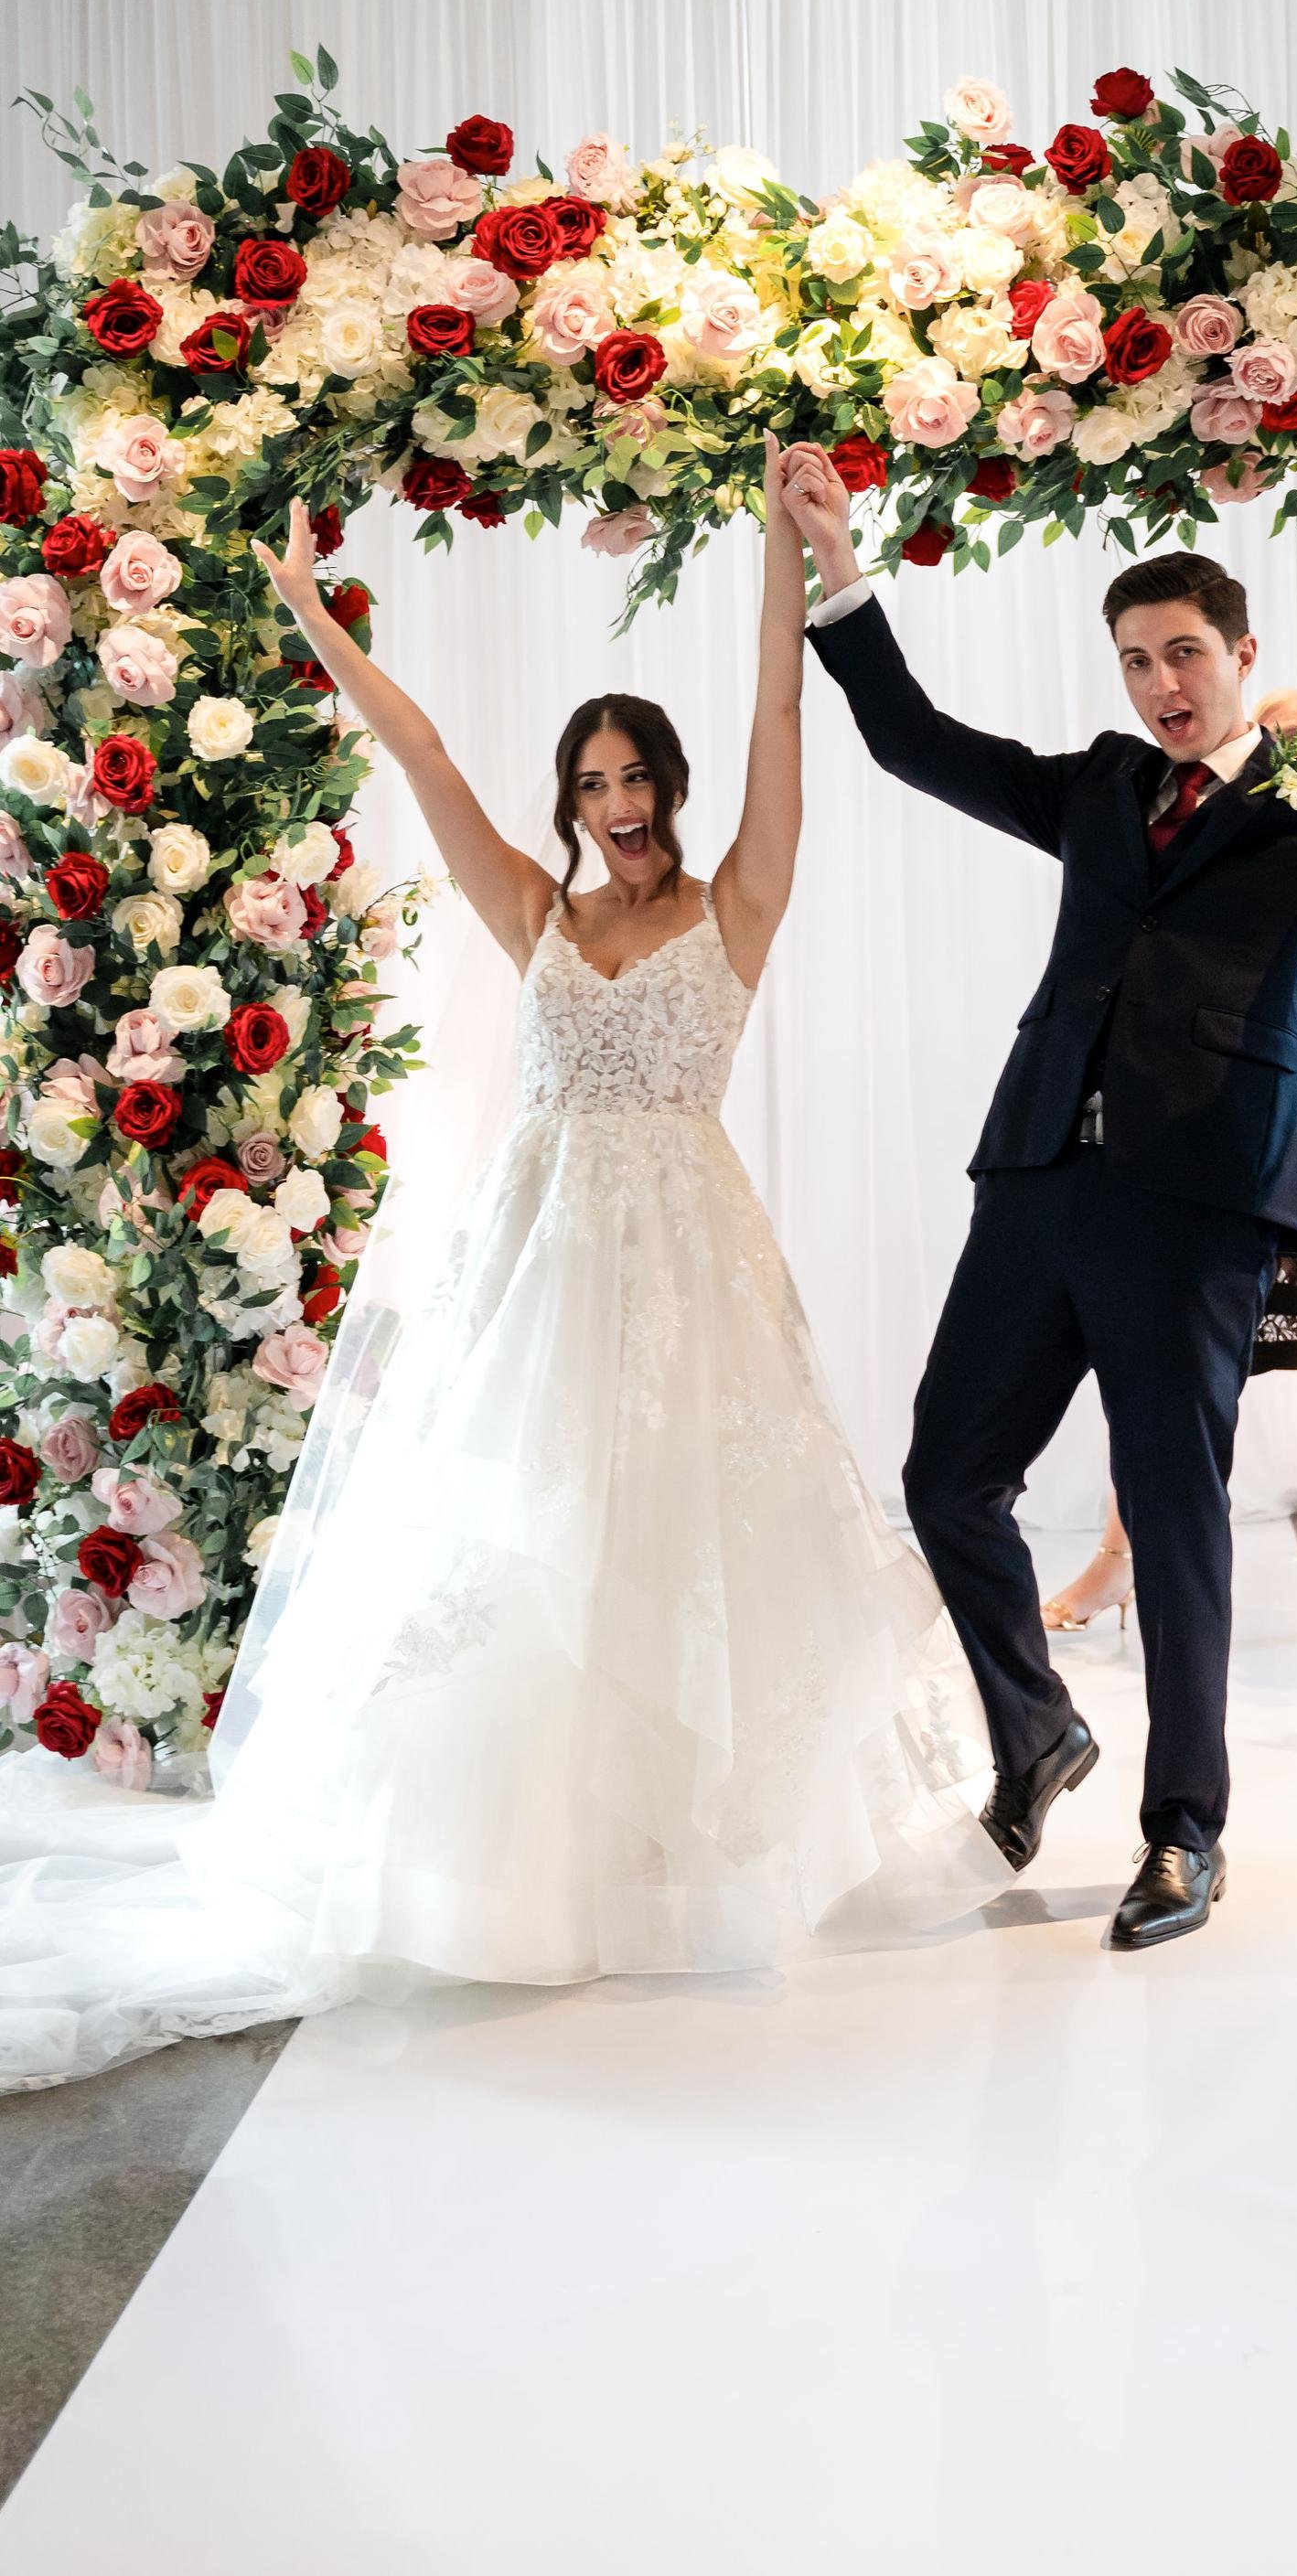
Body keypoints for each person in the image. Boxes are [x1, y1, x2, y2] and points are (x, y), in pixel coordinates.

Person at [0, 454, 981, 2090]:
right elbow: (424, 753)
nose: (616, 796)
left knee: (674, 1537)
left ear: (666, 779)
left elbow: (778, 726)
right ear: (571, 798)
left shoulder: (740, 903)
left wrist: (778, 555)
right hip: (533, 1260)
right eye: (591, 776)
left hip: (686, 1261)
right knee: (518, 1539)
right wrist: (309, 603)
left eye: (635, 770)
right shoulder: (530, 906)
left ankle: (670, 1855)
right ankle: (520, 1866)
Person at [783, 461, 1297, 1951]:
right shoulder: (1093, 787)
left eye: (1186, 655)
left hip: (1199, 1199)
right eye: (1139, 659)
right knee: (950, 1477)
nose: (1162, 683)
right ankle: (1036, 1733)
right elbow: (912, 740)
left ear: (1242, 658)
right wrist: (837, 562)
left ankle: (1184, 1832)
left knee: (1176, 1513)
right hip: (1039, 1179)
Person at [1046, 691, 1297, 1660]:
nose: (1286, 763)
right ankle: (1120, 1552)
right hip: (1232, 1136)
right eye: (1269, 745)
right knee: (1170, 1362)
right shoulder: (1204, 851)